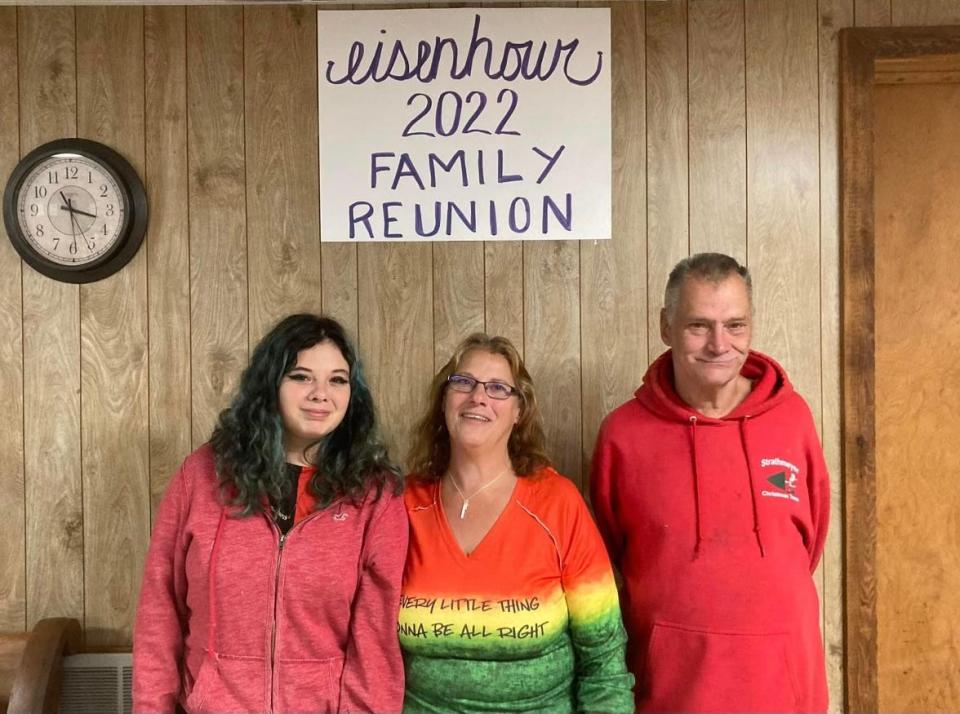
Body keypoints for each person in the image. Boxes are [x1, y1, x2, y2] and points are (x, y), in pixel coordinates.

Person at [591, 253, 830, 713]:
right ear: (666, 326)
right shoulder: (623, 434)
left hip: (784, 688)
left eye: (735, 325)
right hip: (672, 692)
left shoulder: (793, 418)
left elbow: (809, 539)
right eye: (699, 325)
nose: (720, 344)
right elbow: (612, 557)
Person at [133, 314, 407, 714]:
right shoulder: (204, 475)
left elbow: (375, 645)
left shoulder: (374, 495)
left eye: (337, 380)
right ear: (270, 384)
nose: (321, 393)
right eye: (300, 376)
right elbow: (160, 610)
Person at [400, 333, 634, 713]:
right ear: (444, 400)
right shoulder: (404, 505)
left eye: (497, 388)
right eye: (463, 383)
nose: (478, 397)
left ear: (518, 410)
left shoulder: (558, 503)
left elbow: (604, 661)